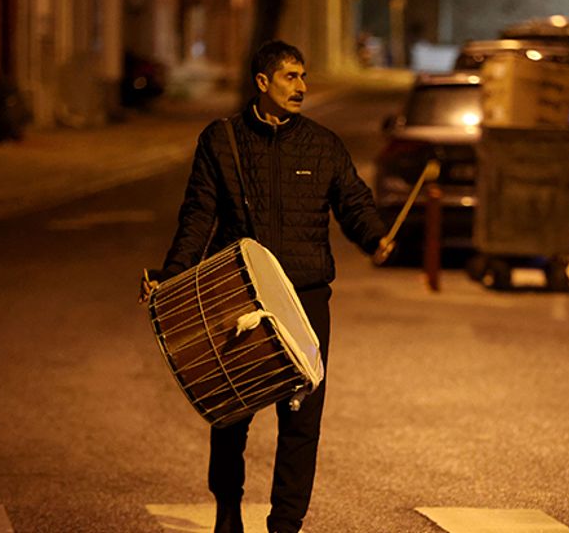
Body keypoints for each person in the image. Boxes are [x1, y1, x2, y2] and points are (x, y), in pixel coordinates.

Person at [139, 39, 394, 533]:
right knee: (231, 410)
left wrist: (376, 238)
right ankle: (228, 508)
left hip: (306, 298)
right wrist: (171, 279)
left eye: (303, 77)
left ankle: (286, 525)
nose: (302, 86)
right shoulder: (222, 140)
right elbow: (198, 217)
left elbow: (354, 201)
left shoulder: (322, 144)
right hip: (237, 292)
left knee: (302, 421)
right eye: (290, 77)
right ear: (263, 82)